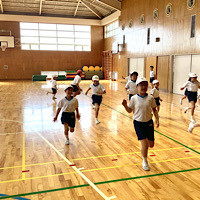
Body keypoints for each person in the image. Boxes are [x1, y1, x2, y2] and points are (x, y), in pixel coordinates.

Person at [122, 77, 159, 171]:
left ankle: (145, 154)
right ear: (137, 86)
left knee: (151, 144)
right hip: (138, 123)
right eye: (141, 85)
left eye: (145, 85)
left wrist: (157, 119)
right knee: (144, 144)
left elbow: (154, 109)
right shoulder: (134, 98)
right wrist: (125, 105)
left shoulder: (150, 98)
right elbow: (130, 110)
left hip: (149, 122)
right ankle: (145, 161)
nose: (143, 87)